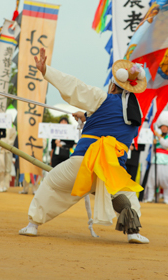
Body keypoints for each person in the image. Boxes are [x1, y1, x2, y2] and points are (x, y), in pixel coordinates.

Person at [19, 49, 149, 244]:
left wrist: (46, 71)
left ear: (113, 86)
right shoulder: (136, 111)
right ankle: (133, 232)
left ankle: (33, 225)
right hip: (111, 169)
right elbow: (112, 121)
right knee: (126, 194)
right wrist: (87, 116)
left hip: (84, 162)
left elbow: (75, 87)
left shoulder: (100, 97)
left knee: (53, 184)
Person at [144, 111, 168, 204]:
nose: (164, 128)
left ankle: (166, 198)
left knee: (165, 179)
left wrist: (158, 137)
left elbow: (166, 145)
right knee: (152, 178)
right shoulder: (156, 137)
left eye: (165, 127)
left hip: (165, 160)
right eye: (162, 126)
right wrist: (153, 143)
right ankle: (150, 197)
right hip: (156, 159)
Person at [0, 123, 17, 192]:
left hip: (8, 149)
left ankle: (5, 185)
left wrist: (8, 144)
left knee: (8, 168)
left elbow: (13, 137)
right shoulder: (0, 123)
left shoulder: (13, 126)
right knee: (1, 167)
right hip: (0, 149)